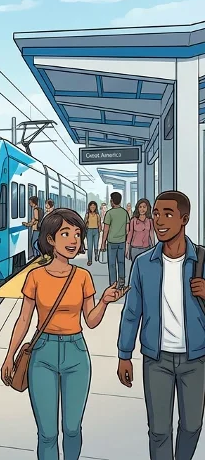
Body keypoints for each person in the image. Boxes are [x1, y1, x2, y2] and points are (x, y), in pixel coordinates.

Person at [1, 208, 126, 460]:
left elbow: (91, 321)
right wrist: (9, 355)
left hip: (76, 353)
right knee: (47, 433)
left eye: (77, 234)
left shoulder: (83, 277)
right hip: (42, 354)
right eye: (66, 233)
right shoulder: (35, 277)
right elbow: (24, 319)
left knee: (72, 429)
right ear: (50, 239)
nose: (73, 240)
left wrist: (104, 301)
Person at [117, 190, 205, 460]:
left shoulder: (202, 261)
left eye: (168, 214)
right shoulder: (144, 264)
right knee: (158, 430)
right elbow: (132, 312)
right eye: (156, 214)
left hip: (196, 359)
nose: (159, 220)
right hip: (156, 360)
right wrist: (124, 354)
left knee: (192, 426)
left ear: (184, 219)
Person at [100, 191, 130, 288]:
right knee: (121, 262)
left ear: (112, 201)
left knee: (112, 264)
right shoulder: (124, 212)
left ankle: (113, 283)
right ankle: (121, 281)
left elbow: (106, 230)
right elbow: (127, 229)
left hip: (111, 242)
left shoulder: (109, 213)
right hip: (122, 242)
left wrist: (103, 243)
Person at [126, 198, 154, 269]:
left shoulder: (150, 221)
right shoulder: (133, 220)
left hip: (146, 248)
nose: (142, 209)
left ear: (147, 208)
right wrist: (127, 248)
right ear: (137, 208)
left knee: (145, 267)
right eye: (140, 207)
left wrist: (153, 247)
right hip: (135, 248)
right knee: (135, 267)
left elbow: (151, 234)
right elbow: (130, 234)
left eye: (144, 207)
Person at [23, 196, 43, 260]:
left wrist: (28, 224)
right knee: (36, 244)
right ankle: (39, 257)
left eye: (30, 202)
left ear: (33, 203)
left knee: (33, 244)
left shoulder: (35, 210)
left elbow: (35, 220)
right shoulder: (40, 209)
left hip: (36, 229)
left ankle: (37, 257)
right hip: (39, 229)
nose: (29, 204)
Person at [83, 201, 101, 266]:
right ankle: (89, 260)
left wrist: (99, 231)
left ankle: (96, 255)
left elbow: (99, 224)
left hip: (96, 231)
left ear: (96, 207)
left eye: (94, 206)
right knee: (90, 246)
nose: (92, 207)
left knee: (96, 245)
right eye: (91, 206)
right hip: (89, 231)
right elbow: (84, 223)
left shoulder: (97, 215)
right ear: (89, 207)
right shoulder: (87, 215)